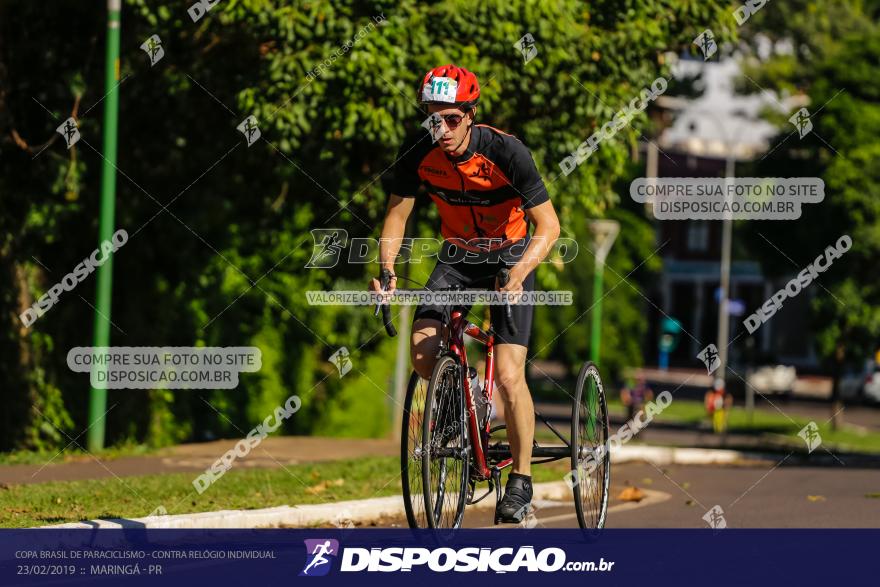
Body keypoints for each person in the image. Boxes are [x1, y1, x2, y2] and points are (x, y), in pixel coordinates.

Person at [369, 64, 560, 523]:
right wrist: (388, 271)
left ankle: (521, 481)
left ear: (471, 116)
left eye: (453, 118)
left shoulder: (506, 151)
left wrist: (519, 272)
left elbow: (549, 226)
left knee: (511, 373)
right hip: (456, 257)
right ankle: (463, 395)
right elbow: (397, 218)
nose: (443, 128)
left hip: (511, 255)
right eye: (434, 118)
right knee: (422, 351)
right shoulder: (419, 150)